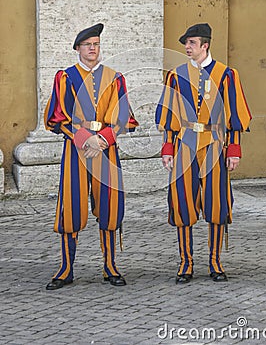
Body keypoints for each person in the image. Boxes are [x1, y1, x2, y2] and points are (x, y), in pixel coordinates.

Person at [44, 22, 138, 290]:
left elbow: (122, 116)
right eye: (88, 45)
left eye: (96, 45)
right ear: (78, 49)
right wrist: (86, 138)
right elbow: (58, 117)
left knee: (109, 206)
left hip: (106, 150)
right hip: (77, 149)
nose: (93, 49)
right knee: (71, 207)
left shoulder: (115, 77)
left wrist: (105, 139)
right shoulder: (66, 77)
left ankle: (110, 267)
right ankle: (66, 269)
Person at [155, 23, 251, 284]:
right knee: (183, 203)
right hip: (184, 144)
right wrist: (167, 148)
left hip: (214, 143)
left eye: (192, 43)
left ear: (205, 45)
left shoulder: (226, 75)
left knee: (216, 203)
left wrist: (234, 149)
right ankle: (186, 263)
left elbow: (234, 115)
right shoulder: (176, 76)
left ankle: (215, 262)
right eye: (186, 43)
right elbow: (169, 116)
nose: (187, 47)